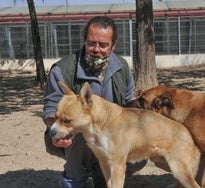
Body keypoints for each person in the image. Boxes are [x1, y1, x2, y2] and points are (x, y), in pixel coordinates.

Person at [43, 16, 145, 188]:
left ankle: (102, 175)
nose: (96, 49)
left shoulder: (122, 67)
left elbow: (129, 103)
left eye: (103, 45)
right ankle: (74, 179)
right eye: (91, 43)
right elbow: (50, 110)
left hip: (112, 135)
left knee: (140, 151)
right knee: (82, 127)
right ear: (84, 41)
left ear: (113, 46)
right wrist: (58, 128)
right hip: (77, 139)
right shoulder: (63, 70)